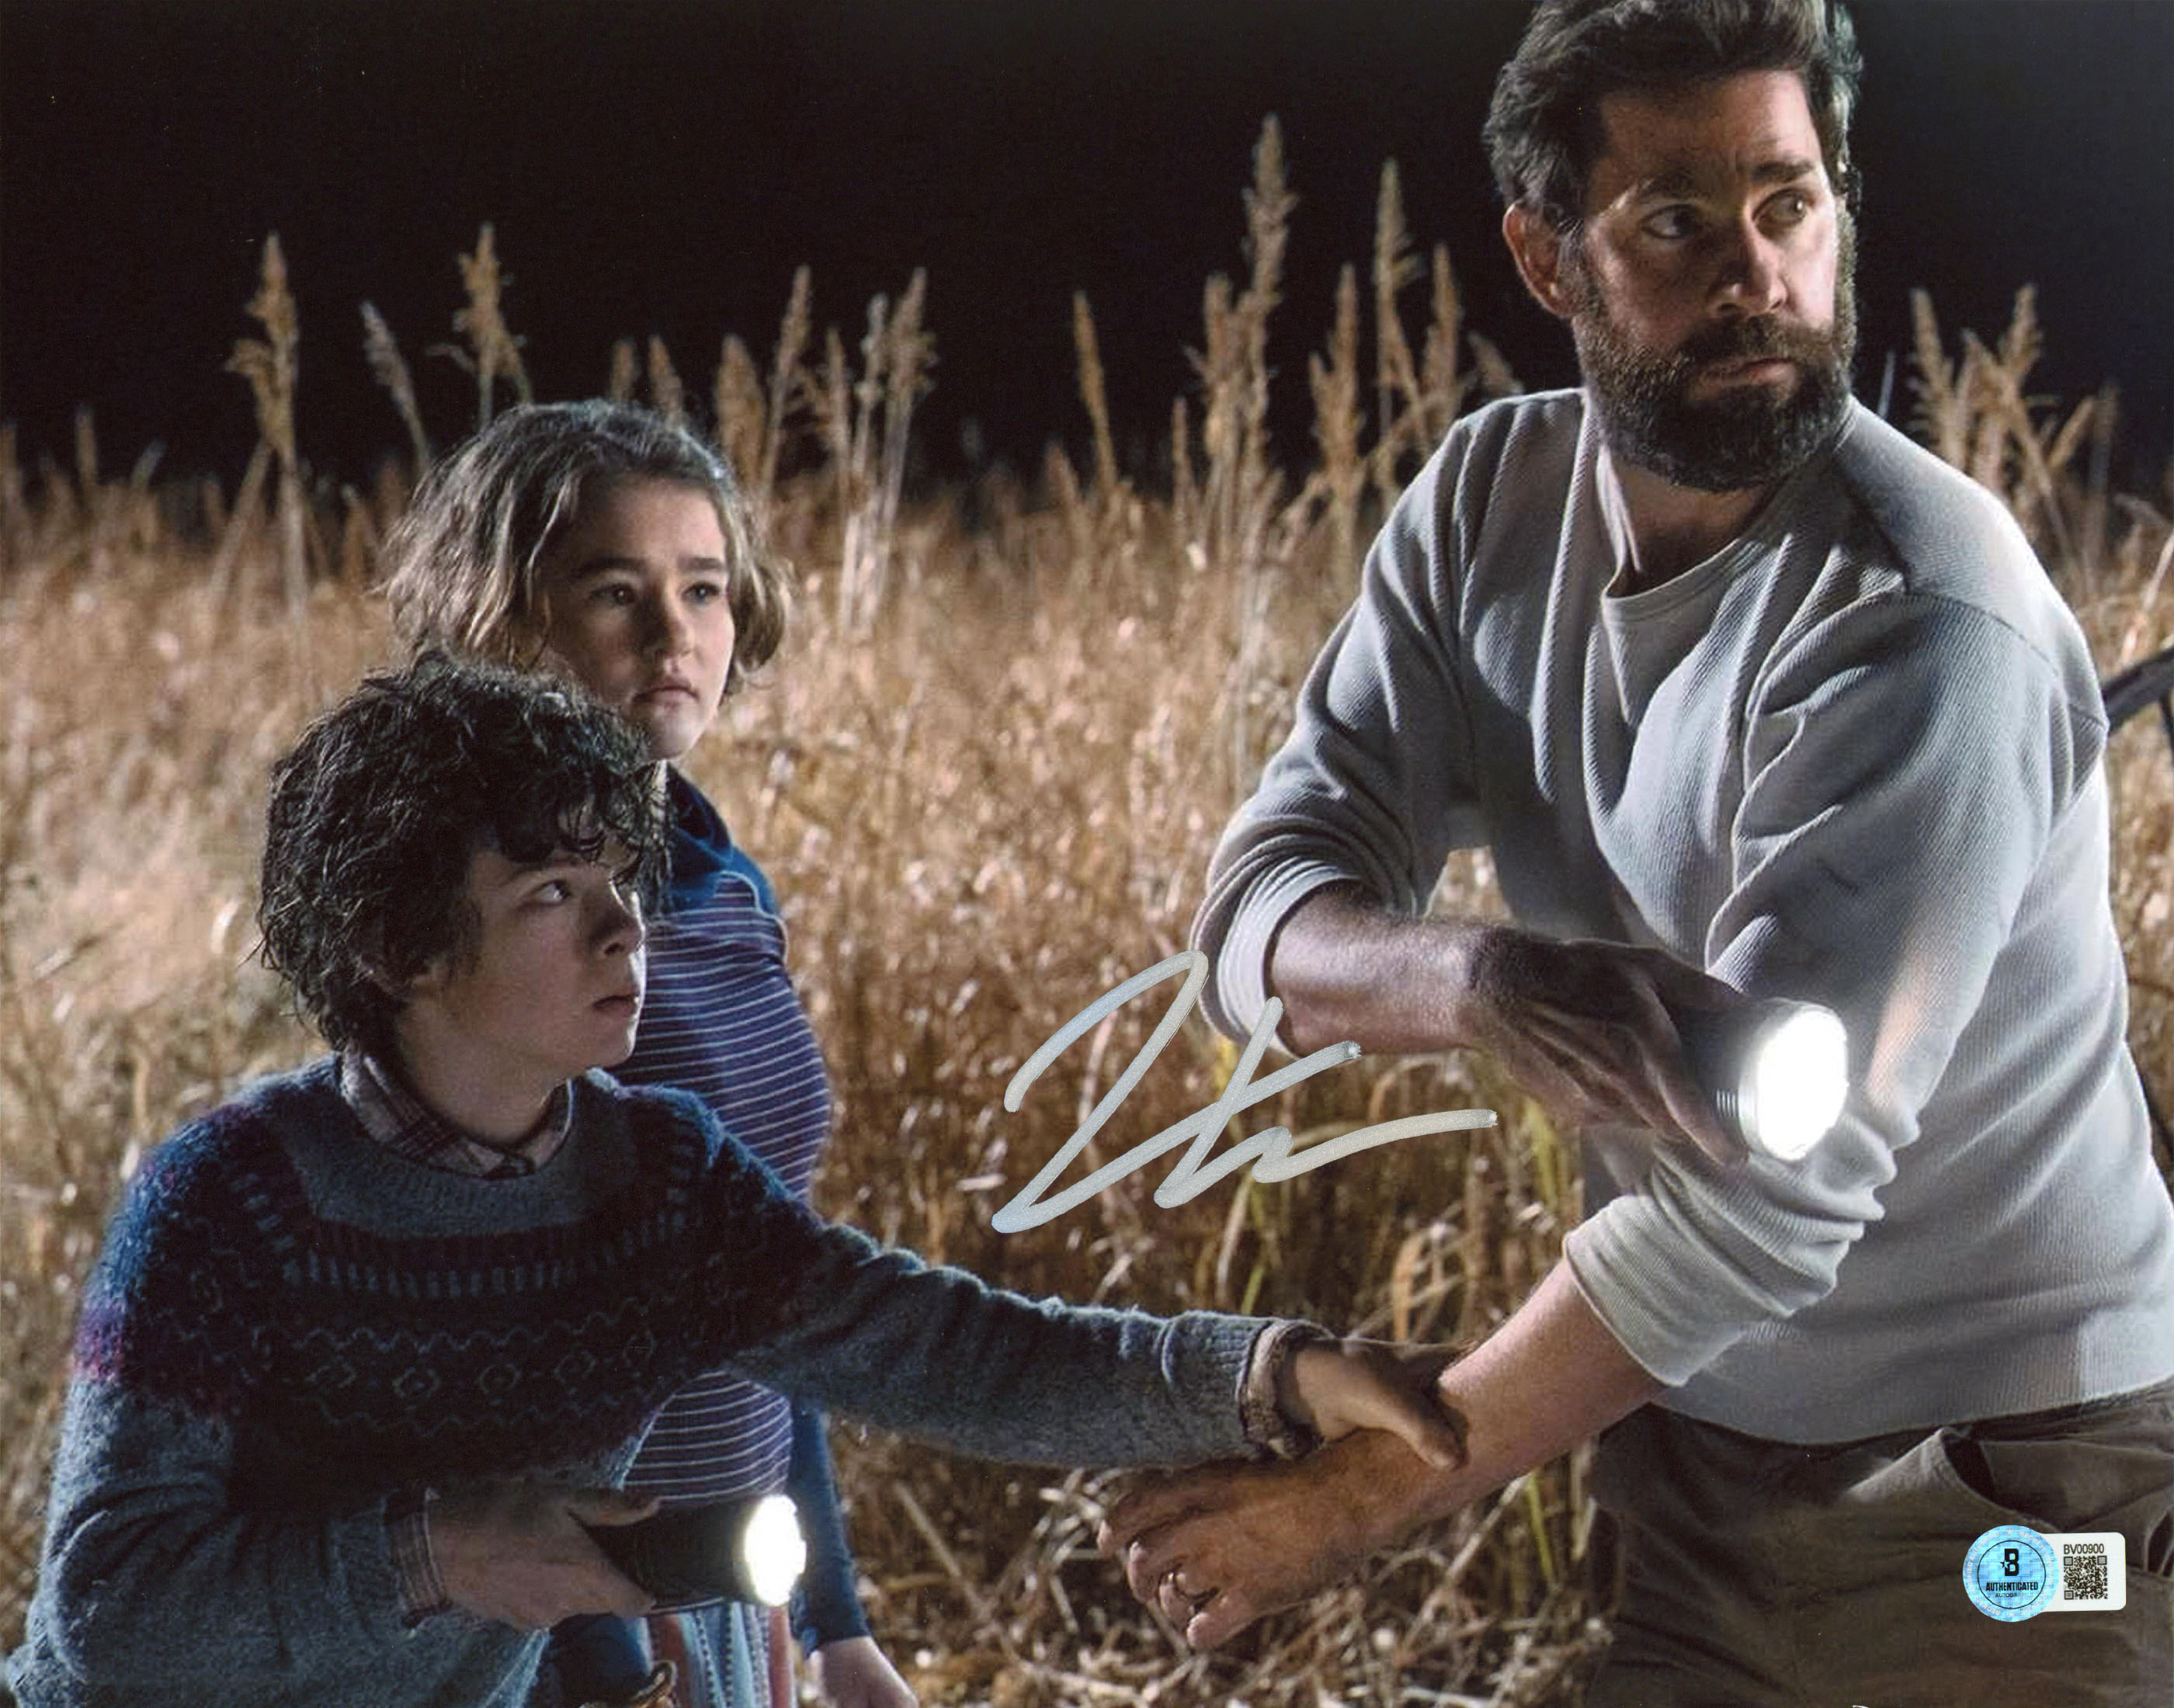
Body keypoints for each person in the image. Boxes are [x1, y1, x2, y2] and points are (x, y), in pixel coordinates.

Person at [1099, 2, 2174, 1703]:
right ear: (1547, 256)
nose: (1754, 274)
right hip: (1694, 1463)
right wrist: (1479, 979)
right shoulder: (1485, 505)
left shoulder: (1922, 619)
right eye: (1675, 221)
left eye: (1787, 203)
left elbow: (1757, 1215)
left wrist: (1348, 1500)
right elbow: (1254, 911)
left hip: (2020, 1487)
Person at [5, 654, 1464, 1708]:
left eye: (620, 885)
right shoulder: (230, 1201)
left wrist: (1269, 1377)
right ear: (399, 950)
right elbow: (113, 1611)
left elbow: (951, 1353)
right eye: (551, 896)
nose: (622, 932)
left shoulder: (658, 1180)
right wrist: (437, 1556)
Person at [380, 398, 896, 1708]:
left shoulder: (724, 884)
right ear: (503, 618)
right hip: (557, 1630)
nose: (677, 637)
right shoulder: (466, 921)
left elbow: (770, 1273)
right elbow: (466, 1338)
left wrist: (834, 1623)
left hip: (728, 1588)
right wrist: (606, 1670)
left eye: (704, 589)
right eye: (617, 593)